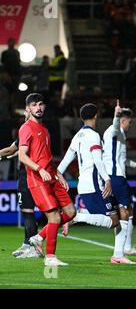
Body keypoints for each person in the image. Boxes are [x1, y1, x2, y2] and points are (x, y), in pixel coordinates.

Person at [57, 103, 135, 264]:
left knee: (117, 217)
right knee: (115, 221)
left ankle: (118, 255)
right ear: (96, 116)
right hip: (94, 184)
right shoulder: (94, 136)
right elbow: (98, 160)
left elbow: (64, 161)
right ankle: (76, 216)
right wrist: (106, 179)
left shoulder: (77, 136)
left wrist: (59, 175)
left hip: (82, 185)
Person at [18, 93, 76, 266]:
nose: (38, 108)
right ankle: (50, 258)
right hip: (37, 179)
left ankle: (38, 237)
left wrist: (58, 174)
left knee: (71, 212)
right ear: (28, 109)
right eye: (34, 105)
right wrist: (39, 169)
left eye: (41, 104)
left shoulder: (45, 130)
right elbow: (22, 155)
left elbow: (47, 157)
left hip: (51, 176)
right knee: (55, 218)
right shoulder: (26, 127)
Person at [103, 100, 136, 256]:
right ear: (122, 121)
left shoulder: (119, 135)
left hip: (114, 175)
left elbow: (121, 159)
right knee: (125, 211)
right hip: (116, 177)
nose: (131, 125)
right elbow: (116, 126)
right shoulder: (115, 131)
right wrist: (116, 115)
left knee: (123, 211)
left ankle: (126, 247)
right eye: (129, 121)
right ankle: (124, 249)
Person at [0, 112, 41, 258]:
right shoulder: (32, 131)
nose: (25, 114)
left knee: (28, 212)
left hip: (27, 175)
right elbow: (14, 152)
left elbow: (11, 150)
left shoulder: (27, 129)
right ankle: (27, 243)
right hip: (31, 175)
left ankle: (34, 247)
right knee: (27, 211)